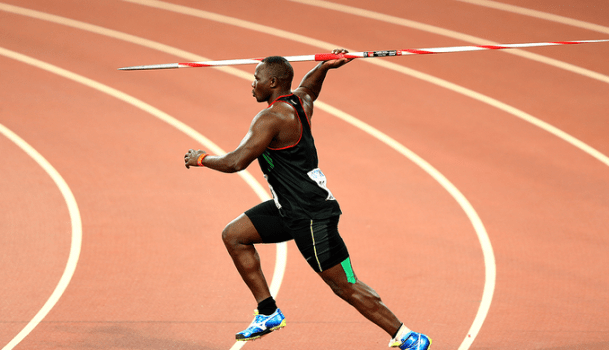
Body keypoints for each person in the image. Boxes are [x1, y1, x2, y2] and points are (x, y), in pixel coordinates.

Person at [184, 49, 431, 350]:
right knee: (234, 235)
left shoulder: (271, 118)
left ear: (272, 82)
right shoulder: (299, 101)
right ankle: (268, 312)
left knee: (345, 285)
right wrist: (325, 67)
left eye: (256, 78)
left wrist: (201, 159)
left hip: (310, 216)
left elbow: (236, 162)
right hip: (289, 208)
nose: (252, 83)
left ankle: (407, 337)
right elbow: (310, 86)